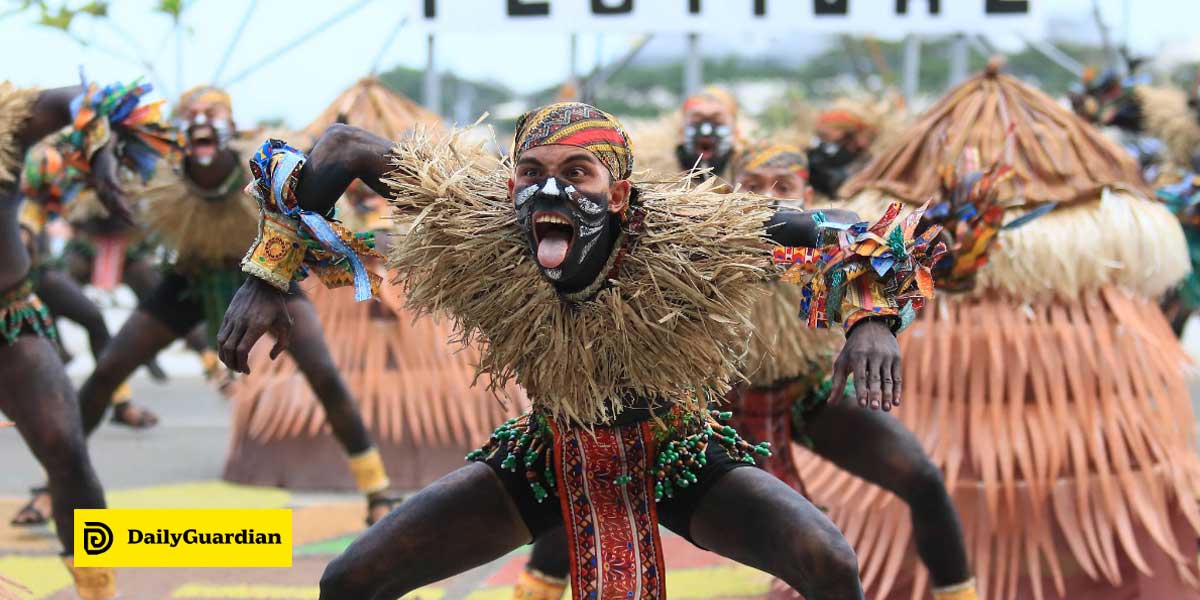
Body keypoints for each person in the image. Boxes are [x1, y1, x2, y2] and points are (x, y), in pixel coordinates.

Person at [219, 102, 941, 599]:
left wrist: (871, 318)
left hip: (676, 451)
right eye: (531, 173)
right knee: (349, 582)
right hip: (546, 450)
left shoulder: (694, 231)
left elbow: (849, 228)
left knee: (826, 559)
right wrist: (267, 274)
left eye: (578, 173)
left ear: (621, 195)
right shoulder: (482, 219)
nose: (550, 189)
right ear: (509, 186)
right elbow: (343, 147)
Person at [72, 85, 401, 524]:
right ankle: (58, 483)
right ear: (179, 127)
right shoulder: (163, 173)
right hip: (190, 278)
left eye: (213, 112)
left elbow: (309, 204)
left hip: (266, 277)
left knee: (324, 374)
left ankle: (377, 490)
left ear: (230, 124)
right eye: (192, 113)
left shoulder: (266, 168)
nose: (202, 120)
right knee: (109, 368)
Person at [0, 77, 137, 600]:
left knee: (65, 448)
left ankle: (97, 591)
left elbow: (79, 99)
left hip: (10, 321)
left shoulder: (8, 125)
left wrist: (98, 153)